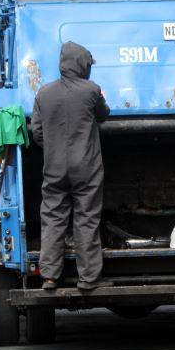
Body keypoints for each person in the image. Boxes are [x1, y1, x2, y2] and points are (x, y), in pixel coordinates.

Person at [31, 41, 111, 291]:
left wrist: (54, 149)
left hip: (54, 168)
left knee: (53, 219)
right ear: (82, 65)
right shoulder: (91, 90)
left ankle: (50, 277)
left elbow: (37, 132)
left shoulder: (43, 93)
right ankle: (88, 279)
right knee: (86, 219)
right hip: (86, 168)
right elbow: (103, 115)